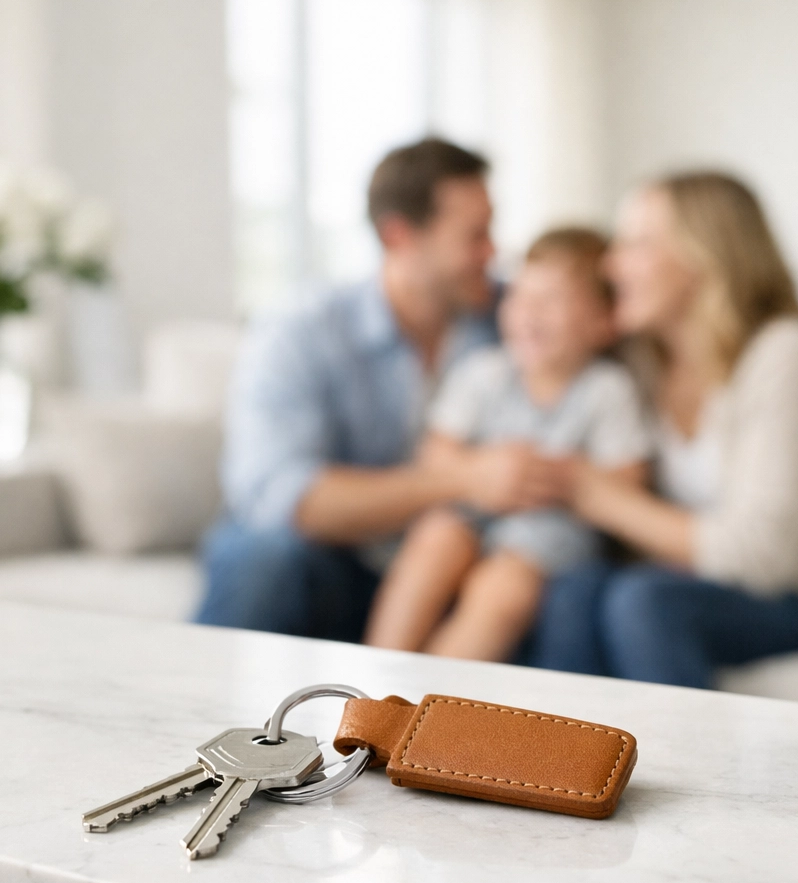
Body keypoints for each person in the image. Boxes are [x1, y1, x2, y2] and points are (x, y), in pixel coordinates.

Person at [527, 170, 798, 687]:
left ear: (703, 257)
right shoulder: (642, 363)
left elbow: (760, 558)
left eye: (637, 243)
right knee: (574, 589)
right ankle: (554, 766)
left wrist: (597, 495)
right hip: (709, 585)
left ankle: (681, 771)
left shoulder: (786, 355)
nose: (612, 265)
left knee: (645, 603)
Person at [195, 138, 563, 639]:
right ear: (400, 236)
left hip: (453, 559)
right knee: (261, 555)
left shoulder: (515, 318)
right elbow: (288, 498)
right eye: (474, 236)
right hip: (331, 560)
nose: (493, 252)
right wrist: (464, 479)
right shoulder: (303, 329)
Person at [364, 228, 651, 661]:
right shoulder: (485, 372)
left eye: (552, 299)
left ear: (602, 322)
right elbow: (435, 454)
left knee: (504, 589)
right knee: (435, 537)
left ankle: (427, 707)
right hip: (471, 508)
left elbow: (628, 480)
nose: (529, 312)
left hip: (547, 533)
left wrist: (562, 478)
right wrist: (478, 471)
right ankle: (374, 681)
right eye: (520, 295)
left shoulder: (606, 390)